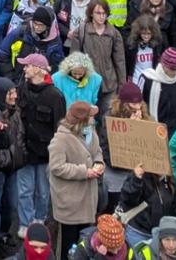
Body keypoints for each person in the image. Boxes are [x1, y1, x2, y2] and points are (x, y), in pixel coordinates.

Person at [48, 101, 105, 258]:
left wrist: (99, 163)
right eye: (90, 116)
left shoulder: (88, 131)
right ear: (81, 120)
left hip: (87, 202)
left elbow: (96, 151)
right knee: (68, 247)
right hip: (70, 205)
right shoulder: (60, 139)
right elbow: (57, 167)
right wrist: (84, 172)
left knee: (85, 244)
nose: (93, 119)